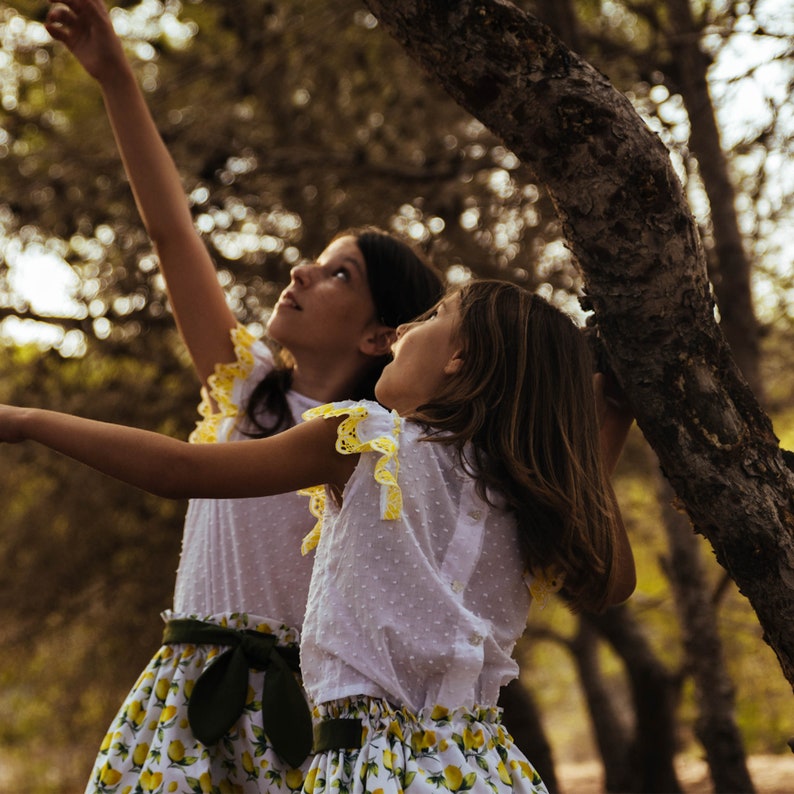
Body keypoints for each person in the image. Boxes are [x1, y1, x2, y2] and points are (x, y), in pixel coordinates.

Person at [0, 279, 636, 794]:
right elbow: (610, 580)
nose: (404, 330)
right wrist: (614, 413)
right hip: (487, 771)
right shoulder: (525, 499)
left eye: (433, 315)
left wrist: (27, 420)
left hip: (370, 769)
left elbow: (180, 470)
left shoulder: (362, 440)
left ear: (459, 355)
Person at [41, 0, 444, 791]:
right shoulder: (247, 392)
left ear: (379, 336)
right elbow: (172, 234)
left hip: (314, 716)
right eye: (314, 259)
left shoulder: (377, 449)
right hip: (189, 701)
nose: (300, 272)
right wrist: (115, 76)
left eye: (339, 274)